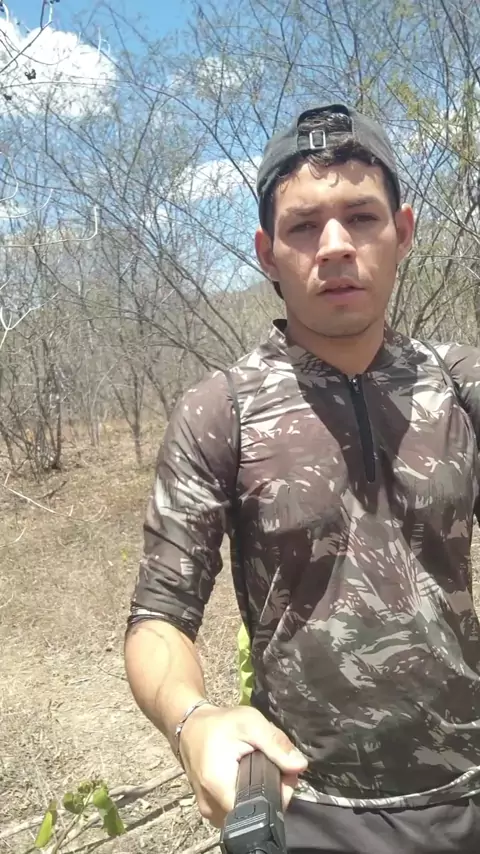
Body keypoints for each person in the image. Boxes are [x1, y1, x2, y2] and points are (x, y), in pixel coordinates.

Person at [124, 103, 480, 854]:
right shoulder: (220, 410)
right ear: (266, 251)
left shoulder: (460, 385)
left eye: (362, 217)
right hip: (307, 805)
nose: (336, 245)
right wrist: (193, 721)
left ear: (404, 231)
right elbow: (158, 619)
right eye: (304, 226)